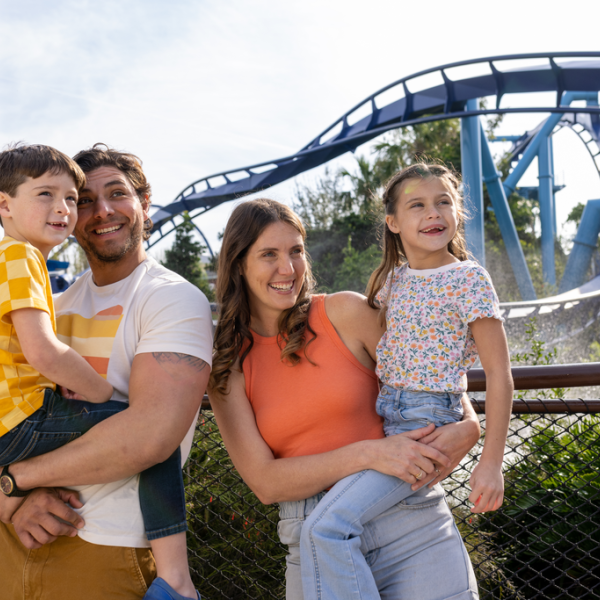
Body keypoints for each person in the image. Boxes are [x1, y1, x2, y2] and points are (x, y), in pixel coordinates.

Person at [208, 197, 482, 600]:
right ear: (238, 264)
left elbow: (430, 379)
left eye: (296, 251)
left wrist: (470, 424)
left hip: (409, 525)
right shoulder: (227, 366)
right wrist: (369, 454)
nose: (288, 269)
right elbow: (265, 483)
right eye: (269, 254)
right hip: (312, 538)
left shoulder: (344, 313)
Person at [0, 144, 213, 600]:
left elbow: (152, 436)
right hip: (18, 539)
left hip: (106, 549)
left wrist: (14, 481)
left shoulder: (171, 299)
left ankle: (178, 582)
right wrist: (11, 506)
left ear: (144, 204)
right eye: (86, 200)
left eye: (117, 193)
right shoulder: (50, 305)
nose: (102, 211)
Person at [298, 163, 513, 599]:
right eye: (417, 205)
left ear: (457, 213)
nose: (433, 213)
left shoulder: (468, 279)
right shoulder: (393, 282)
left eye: (443, 202)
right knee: (331, 524)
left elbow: (499, 375)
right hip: (387, 423)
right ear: (393, 223)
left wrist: (491, 463)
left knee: (326, 527)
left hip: (427, 427)